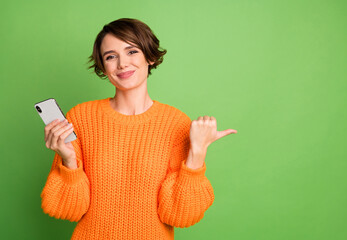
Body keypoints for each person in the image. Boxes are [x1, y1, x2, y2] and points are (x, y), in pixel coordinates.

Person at [40, 18, 237, 240]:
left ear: (150, 57)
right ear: (104, 67)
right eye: (111, 56)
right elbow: (67, 209)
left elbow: (181, 215)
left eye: (132, 51)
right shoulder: (81, 117)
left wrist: (198, 153)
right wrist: (68, 161)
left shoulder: (176, 123)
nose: (122, 63)